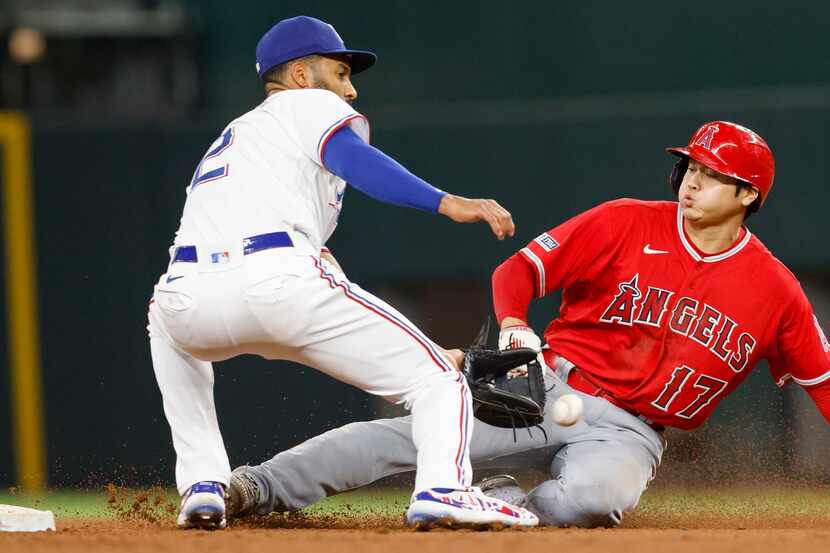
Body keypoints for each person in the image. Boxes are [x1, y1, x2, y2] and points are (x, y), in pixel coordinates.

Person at [225, 121, 830, 527]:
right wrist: (515, 324)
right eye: (690, 166)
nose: (693, 180)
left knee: (593, 504)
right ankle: (258, 485)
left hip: (631, 434)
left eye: (713, 173)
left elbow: (822, 380)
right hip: (548, 387)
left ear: (749, 194)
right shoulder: (624, 222)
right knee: (407, 439)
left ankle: (501, 500)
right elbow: (517, 272)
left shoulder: (774, 290)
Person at [147, 15, 538, 530]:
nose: (350, 90)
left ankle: (202, 485)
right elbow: (357, 160)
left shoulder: (235, 136)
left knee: (168, 330)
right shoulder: (307, 105)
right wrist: (446, 202)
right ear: (302, 76)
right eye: (340, 73)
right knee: (437, 378)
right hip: (279, 285)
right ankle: (445, 488)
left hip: (187, 297)